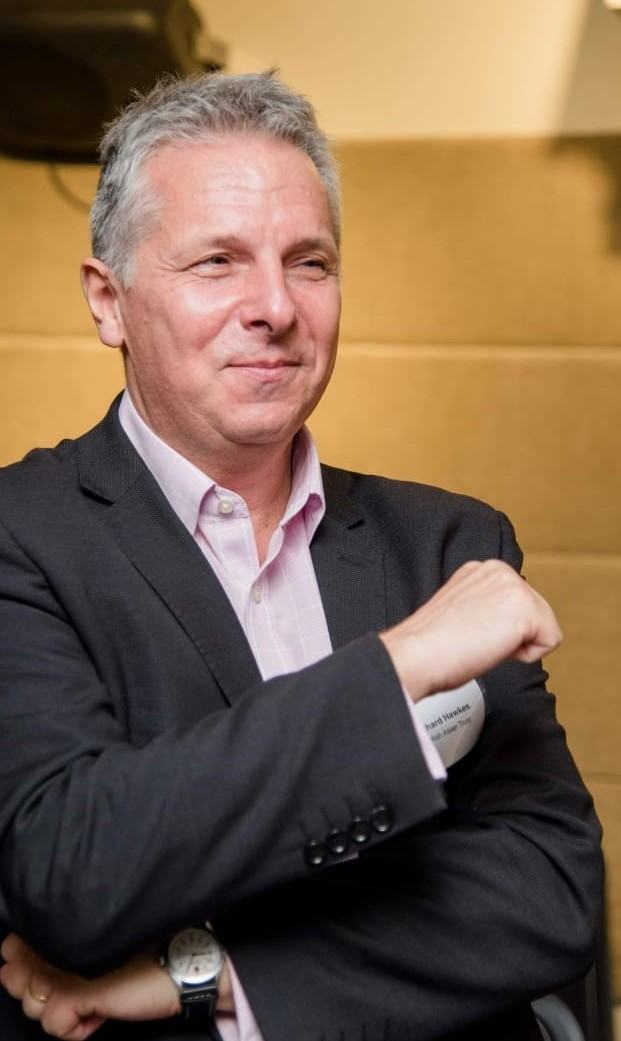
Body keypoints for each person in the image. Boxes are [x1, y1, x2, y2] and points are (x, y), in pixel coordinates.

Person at [0, 72, 602, 1041]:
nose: (275, 306)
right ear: (107, 301)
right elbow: (71, 872)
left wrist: (202, 974)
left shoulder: (452, 542)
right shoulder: (22, 536)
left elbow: (549, 891)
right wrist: (400, 665)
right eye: (218, 263)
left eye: (309, 262)